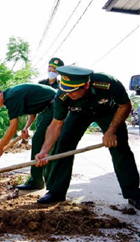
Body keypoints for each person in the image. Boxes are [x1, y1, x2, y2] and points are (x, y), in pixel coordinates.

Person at [35, 65, 140, 209]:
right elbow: (55, 124)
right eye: (65, 89)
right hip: (78, 113)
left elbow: (125, 106)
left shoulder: (107, 83)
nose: (68, 94)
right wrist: (44, 150)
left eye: (72, 91)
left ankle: (133, 193)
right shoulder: (62, 95)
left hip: (108, 112)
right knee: (63, 146)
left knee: (119, 148)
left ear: (86, 85)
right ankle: (56, 191)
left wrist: (111, 131)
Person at [0, 83, 57, 190]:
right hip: (48, 107)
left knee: (38, 140)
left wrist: (0, 148)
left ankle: (37, 181)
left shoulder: (11, 97)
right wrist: (26, 127)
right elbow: (33, 113)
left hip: (54, 106)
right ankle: (43, 178)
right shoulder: (12, 94)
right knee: (42, 141)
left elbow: (13, 127)